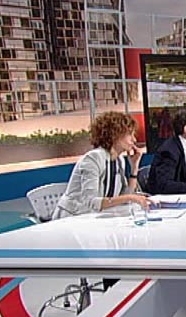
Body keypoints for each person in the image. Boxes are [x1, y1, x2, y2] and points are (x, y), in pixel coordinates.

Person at [52, 111, 154, 291]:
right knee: (118, 252)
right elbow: (92, 202)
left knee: (126, 246)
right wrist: (131, 197)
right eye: (129, 134)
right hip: (73, 224)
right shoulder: (93, 158)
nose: (134, 139)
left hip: (95, 222)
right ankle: (114, 291)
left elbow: (124, 196)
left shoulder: (118, 160)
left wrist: (134, 167)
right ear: (115, 134)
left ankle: (117, 289)